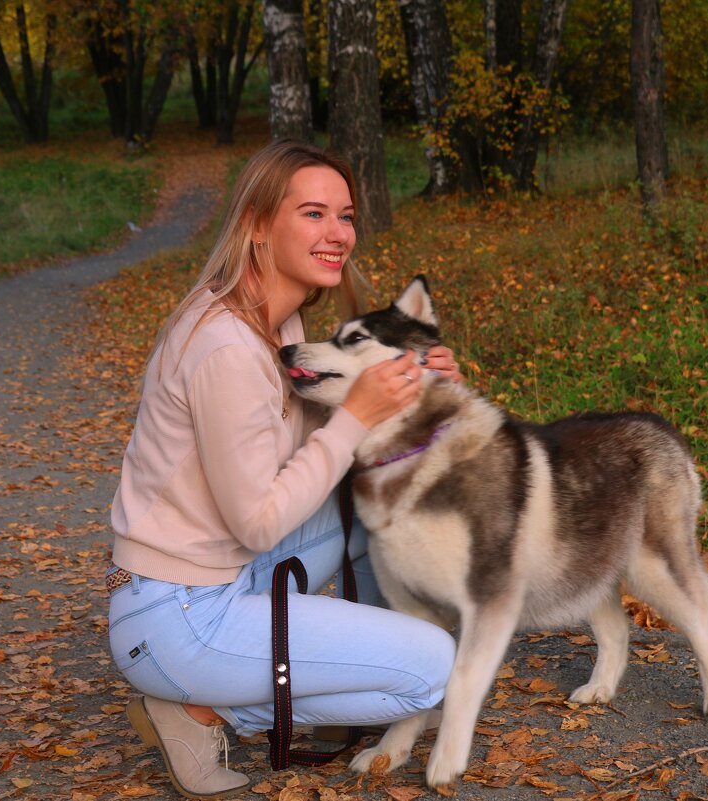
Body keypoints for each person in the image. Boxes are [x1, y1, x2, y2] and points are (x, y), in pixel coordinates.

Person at [106, 139, 459, 798]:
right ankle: (202, 707)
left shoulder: (276, 321)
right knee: (434, 669)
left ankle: (349, 664)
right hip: (177, 615)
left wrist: (422, 391)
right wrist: (356, 413)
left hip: (220, 574)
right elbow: (259, 519)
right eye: (314, 214)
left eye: (345, 215)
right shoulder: (227, 348)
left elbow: (337, 452)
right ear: (257, 226)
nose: (337, 234)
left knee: (365, 504)